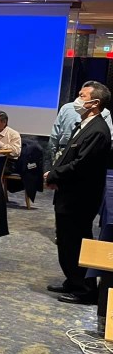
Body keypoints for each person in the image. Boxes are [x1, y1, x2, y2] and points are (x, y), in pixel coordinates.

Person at [44, 81, 112, 305]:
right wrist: (55, 176)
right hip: (69, 193)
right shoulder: (84, 124)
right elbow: (68, 156)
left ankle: (85, 289)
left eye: (82, 96)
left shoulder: (98, 130)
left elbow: (81, 165)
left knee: (76, 241)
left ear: (95, 103)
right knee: (66, 240)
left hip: (80, 197)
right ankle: (73, 280)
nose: (77, 100)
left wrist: (54, 175)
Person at [49, 96, 113, 162]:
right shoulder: (105, 112)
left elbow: (55, 136)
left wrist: (54, 155)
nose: (78, 98)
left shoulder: (66, 107)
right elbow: (109, 140)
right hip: (88, 155)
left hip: (69, 152)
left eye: (82, 95)